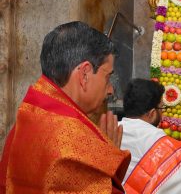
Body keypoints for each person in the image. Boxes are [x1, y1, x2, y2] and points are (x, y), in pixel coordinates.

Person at [0, 21, 131, 193]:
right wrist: (107, 158)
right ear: (84, 74)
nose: (110, 90)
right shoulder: (70, 137)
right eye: (107, 77)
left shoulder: (30, 115)